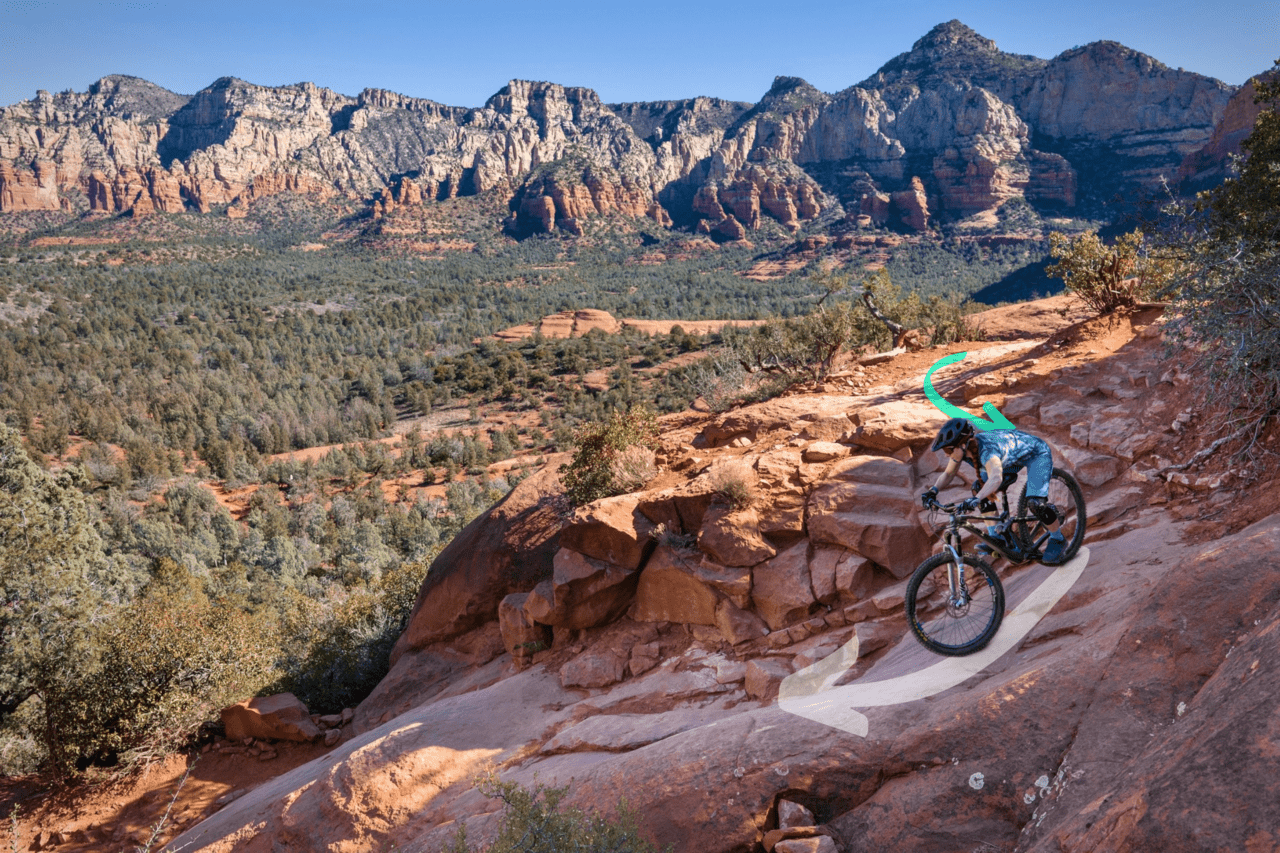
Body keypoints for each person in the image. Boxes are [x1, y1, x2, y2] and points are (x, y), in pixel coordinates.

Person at [920, 417, 1067, 564]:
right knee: (979, 487)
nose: (946, 454)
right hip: (1010, 459)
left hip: (1036, 453)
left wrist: (976, 499)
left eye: (948, 450)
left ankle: (1057, 538)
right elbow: (948, 474)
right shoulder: (964, 450)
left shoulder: (987, 452)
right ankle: (997, 538)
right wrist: (933, 491)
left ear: (963, 445)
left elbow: (996, 478)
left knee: (1035, 503)